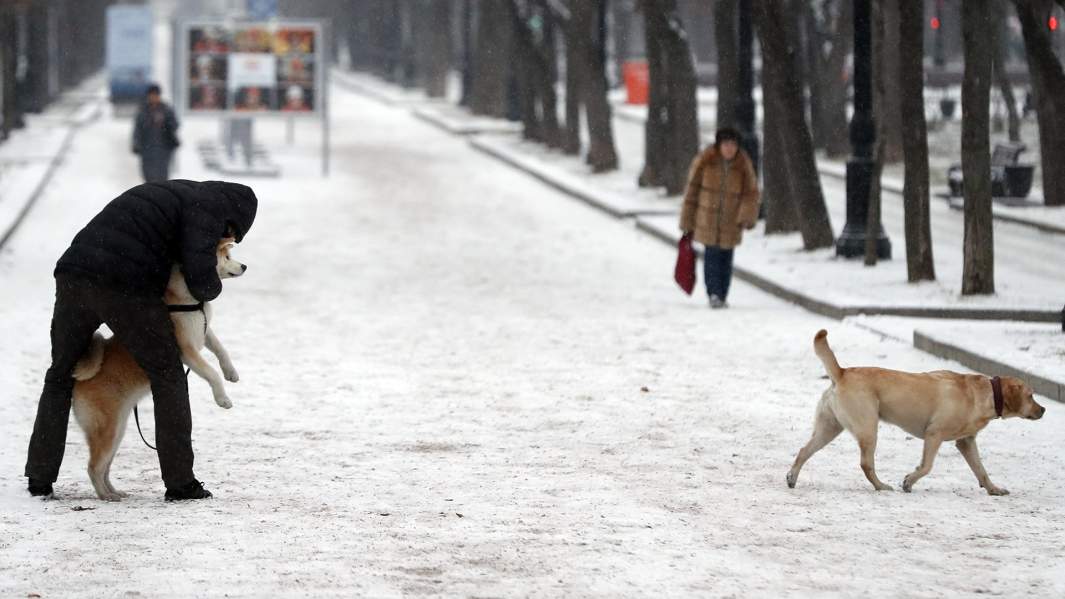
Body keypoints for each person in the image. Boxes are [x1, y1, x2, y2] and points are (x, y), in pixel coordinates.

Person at [24, 180, 258, 501]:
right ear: (235, 215)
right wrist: (211, 291)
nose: (226, 237)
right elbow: (202, 280)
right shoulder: (209, 210)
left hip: (74, 273)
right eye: (232, 232)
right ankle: (181, 482)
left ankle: (40, 475)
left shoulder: (175, 193)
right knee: (168, 373)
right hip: (124, 284)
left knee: (62, 370)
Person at [679, 127, 760, 309]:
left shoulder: (743, 165)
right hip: (707, 220)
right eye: (726, 144)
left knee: (726, 258)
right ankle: (713, 293)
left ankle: (723, 293)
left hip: (731, 222)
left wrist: (746, 216)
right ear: (719, 146)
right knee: (711, 257)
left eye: (733, 145)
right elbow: (692, 192)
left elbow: (751, 193)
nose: (729, 149)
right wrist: (687, 220)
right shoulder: (706, 161)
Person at [132, 84, 180, 183]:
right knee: (148, 176)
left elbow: (175, 125)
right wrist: (136, 143)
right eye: (151, 95)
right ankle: (150, 195)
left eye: (156, 95)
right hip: (147, 148)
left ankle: (160, 196)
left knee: (162, 176)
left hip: (164, 148)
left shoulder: (166, 109)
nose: (153, 97)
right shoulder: (143, 110)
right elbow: (137, 129)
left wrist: (167, 122)